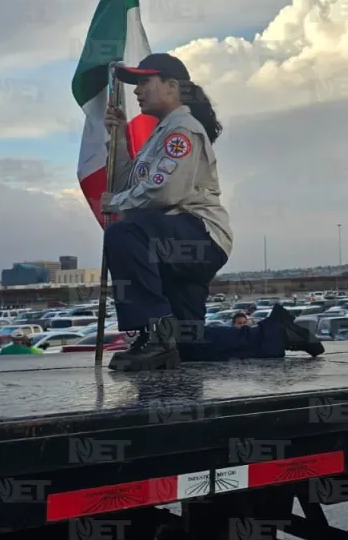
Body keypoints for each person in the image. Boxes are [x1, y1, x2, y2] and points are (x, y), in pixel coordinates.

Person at [100, 53, 323, 371]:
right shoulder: (160, 135)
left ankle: (156, 336)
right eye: (136, 83)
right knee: (188, 344)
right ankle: (276, 333)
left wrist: (114, 204)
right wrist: (120, 139)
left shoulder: (183, 130)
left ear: (172, 86)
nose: (137, 90)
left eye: (145, 81)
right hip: (176, 241)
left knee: (123, 234)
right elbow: (128, 186)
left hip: (196, 235)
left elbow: (165, 193)